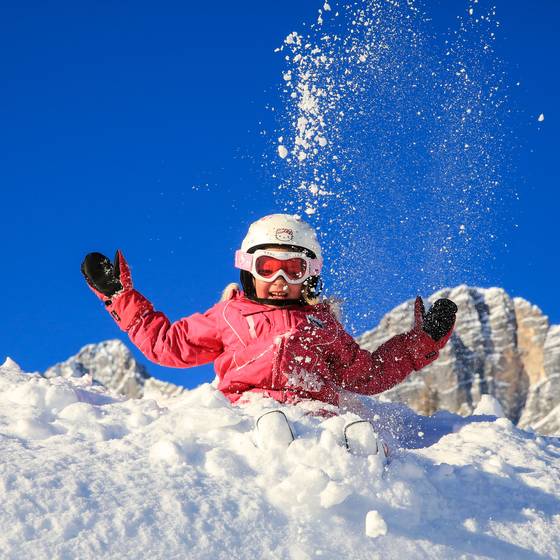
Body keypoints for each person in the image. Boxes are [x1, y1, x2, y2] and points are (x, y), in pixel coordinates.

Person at [81, 214, 457, 456]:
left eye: (293, 269)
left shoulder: (323, 326)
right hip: (250, 410)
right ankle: (275, 440)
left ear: (309, 275)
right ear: (248, 269)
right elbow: (168, 346)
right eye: (268, 267)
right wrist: (121, 296)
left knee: (342, 429)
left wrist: (422, 340)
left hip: (316, 415)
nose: (279, 281)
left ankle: (357, 456)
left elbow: (367, 375)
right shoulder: (228, 314)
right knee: (269, 419)